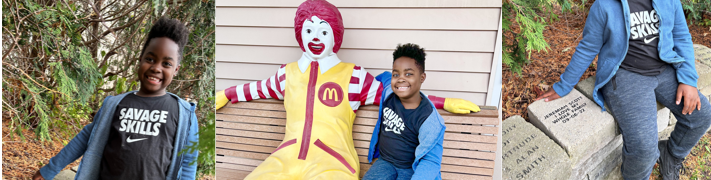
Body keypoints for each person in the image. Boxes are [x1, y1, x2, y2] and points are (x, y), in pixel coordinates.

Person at [214, 0, 479, 179]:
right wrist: (226, 94)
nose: (315, 37)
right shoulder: (287, 73)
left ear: (335, 35)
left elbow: (399, 94)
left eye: (323, 30)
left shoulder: (353, 76)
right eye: (309, 30)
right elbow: (258, 89)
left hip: (333, 162)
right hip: (285, 157)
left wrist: (444, 102)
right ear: (300, 33)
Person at [536, 0, 711, 179]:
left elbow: (681, 36)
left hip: (665, 68)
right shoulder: (604, 5)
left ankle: (671, 154)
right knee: (644, 150)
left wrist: (688, 80)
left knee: (702, 116)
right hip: (626, 75)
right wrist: (564, 85)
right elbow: (588, 47)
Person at [32, 17, 199, 180]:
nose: (156, 68)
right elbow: (85, 138)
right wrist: (51, 168)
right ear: (139, 60)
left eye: (166, 64)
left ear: (176, 69)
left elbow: (188, 162)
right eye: (150, 59)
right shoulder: (115, 104)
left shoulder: (184, 114)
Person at [363, 43, 445, 180]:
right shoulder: (389, 93)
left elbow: (431, 162)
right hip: (385, 161)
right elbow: (385, 77)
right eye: (397, 74)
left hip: (411, 168)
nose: (401, 78)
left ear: (422, 77)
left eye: (408, 74)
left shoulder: (430, 120)